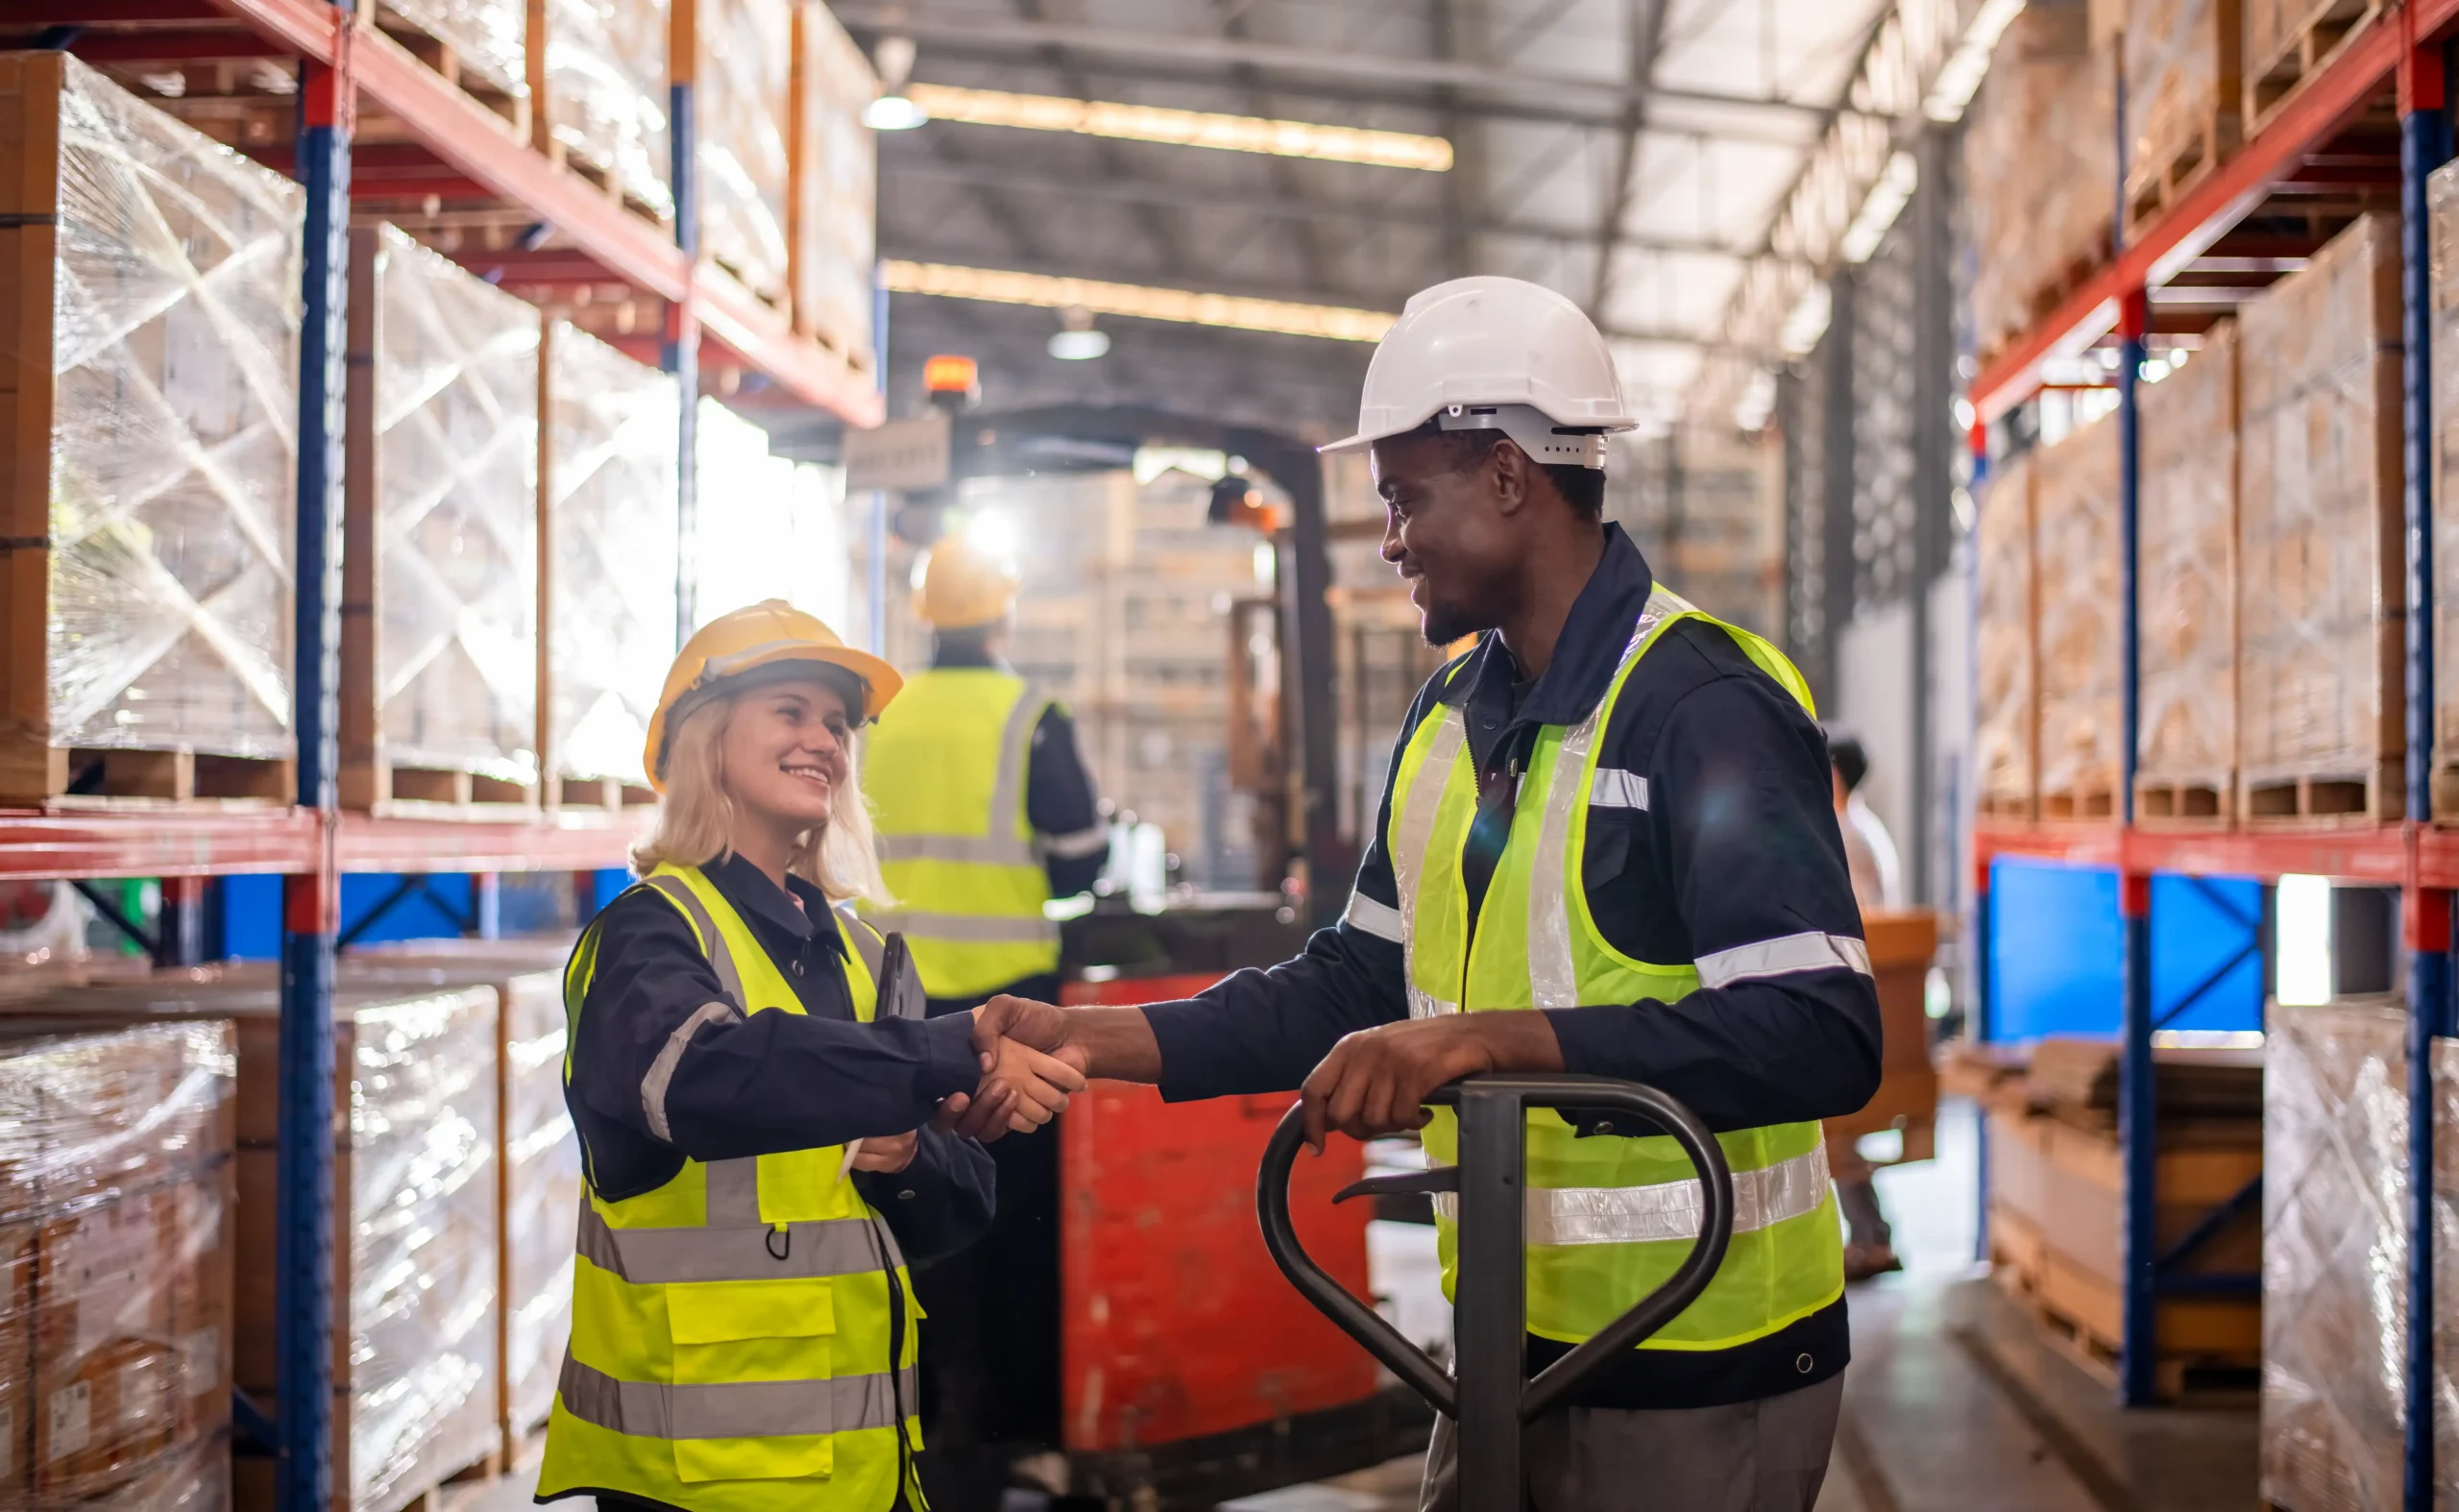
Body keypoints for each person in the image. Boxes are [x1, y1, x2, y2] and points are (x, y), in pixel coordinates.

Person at [975, 277, 1884, 1512]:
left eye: (1405, 497)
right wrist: (1096, 1039)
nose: (1391, 536)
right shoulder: (1452, 718)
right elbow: (1356, 980)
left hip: (1698, 1351)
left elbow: (1822, 1035)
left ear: (1508, 476)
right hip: (1501, 1341)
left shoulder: (1703, 706)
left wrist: (1480, 1044)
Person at [535, 599, 1088, 1512]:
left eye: (836, 723)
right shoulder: (648, 937)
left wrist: (912, 1153)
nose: (823, 741)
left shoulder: (866, 959)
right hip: (698, 1483)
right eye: (789, 712)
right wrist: (947, 1049)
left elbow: (959, 1206)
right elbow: (707, 1078)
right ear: (707, 739)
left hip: (865, 1477)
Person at [857, 532, 1109, 1492]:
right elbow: (1082, 856)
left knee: (913, 1213)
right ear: (1002, 613)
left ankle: (926, 1425)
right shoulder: (1027, 713)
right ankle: (1013, 1431)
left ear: (927, 617)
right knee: (1016, 1222)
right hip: (1011, 1015)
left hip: (895, 1009)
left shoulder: (882, 713)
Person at [1822, 725, 1907, 1282]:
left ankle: (1874, 1239)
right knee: (1841, 1136)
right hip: (1866, 993)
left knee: (1838, 1133)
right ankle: (1873, 1237)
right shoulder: (1862, 828)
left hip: (1848, 993)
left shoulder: (1845, 835)